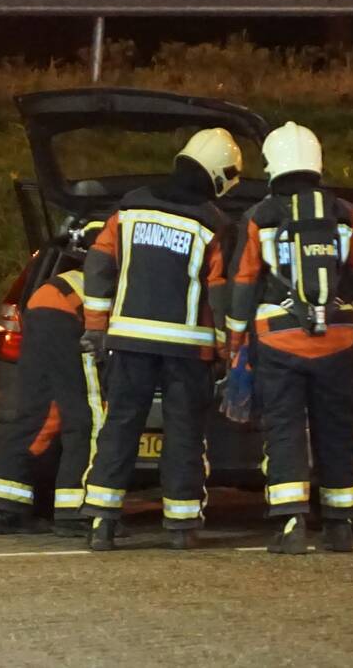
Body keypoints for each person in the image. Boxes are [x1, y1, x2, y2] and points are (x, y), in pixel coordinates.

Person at [79, 128, 241, 551]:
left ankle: (101, 520)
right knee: (185, 432)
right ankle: (181, 525)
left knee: (119, 426)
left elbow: (98, 265)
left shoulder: (130, 206)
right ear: (218, 176)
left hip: (129, 340)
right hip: (187, 349)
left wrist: (96, 327)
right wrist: (227, 349)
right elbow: (219, 292)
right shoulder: (212, 222)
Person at [226, 121, 353, 554]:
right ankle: (340, 523)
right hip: (338, 339)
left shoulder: (260, 215)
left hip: (279, 339)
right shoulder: (343, 212)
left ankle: (291, 524)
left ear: (273, 163)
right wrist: (339, 298)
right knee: (336, 426)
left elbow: (243, 280)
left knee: (285, 429)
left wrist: (236, 338)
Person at [0, 224, 104, 537]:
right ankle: (74, 511)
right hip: (67, 319)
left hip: (38, 308)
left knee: (40, 414)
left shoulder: (68, 276)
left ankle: (1, 507)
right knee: (85, 417)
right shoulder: (121, 277)